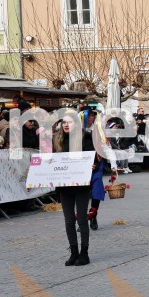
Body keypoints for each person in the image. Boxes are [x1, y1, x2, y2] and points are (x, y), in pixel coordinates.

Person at [53, 114, 100, 266]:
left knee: (81, 219)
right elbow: (52, 161)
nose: (66, 125)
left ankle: (84, 253)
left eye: (69, 122)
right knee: (68, 220)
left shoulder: (86, 138)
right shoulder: (58, 140)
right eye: (64, 122)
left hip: (81, 185)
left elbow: (95, 160)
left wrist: (93, 166)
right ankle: (74, 252)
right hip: (64, 186)